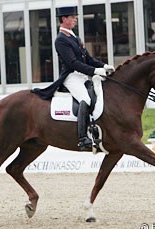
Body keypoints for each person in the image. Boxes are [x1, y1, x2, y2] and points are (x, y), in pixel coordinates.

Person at [32, 6, 114, 150]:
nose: (75, 19)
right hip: (71, 76)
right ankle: (83, 138)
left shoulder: (74, 37)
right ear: (64, 19)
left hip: (82, 75)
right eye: (72, 17)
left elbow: (88, 59)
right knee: (86, 100)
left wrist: (104, 66)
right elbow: (73, 63)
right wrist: (95, 70)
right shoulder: (61, 40)